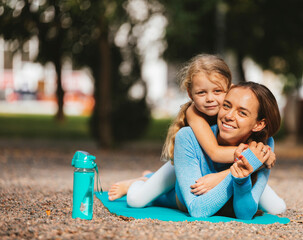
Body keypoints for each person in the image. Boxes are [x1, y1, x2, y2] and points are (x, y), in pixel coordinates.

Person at [108, 54, 285, 215]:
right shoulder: (194, 115)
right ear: (191, 94)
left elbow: (244, 210)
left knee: (278, 208)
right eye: (201, 92)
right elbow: (214, 152)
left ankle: (150, 177)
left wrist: (235, 171)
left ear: (228, 89)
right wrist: (254, 160)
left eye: (217, 91)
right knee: (136, 199)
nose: (210, 99)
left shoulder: (259, 137)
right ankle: (142, 181)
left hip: (221, 171)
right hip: (188, 162)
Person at [174, 82, 282, 219]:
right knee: (139, 195)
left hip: (232, 190)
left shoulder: (263, 144)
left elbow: (245, 215)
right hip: (175, 192)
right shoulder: (188, 136)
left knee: (279, 207)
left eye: (242, 113)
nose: (229, 116)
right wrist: (249, 164)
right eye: (226, 105)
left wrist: (239, 178)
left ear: (259, 124)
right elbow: (198, 210)